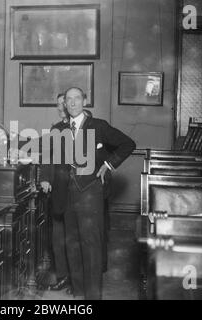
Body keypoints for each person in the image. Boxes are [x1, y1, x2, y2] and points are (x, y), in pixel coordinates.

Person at [40, 87, 136, 300]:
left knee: (91, 244)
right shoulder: (57, 129)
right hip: (65, 192)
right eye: (68, 100)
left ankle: (93, 297)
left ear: (85, 101)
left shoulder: (98, 126)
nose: (72, 103)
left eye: (77, 99)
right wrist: (45, 177)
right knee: (72, 244)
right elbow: (48, 157)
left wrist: (109, 165)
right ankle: (78, 293)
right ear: (64, 104)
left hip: (90, 191)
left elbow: (128, 144)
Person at [46, 94, 71, 292]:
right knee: (58, 236)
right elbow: (47, 153)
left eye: (64, 103)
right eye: (58, 104)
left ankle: (76, 279)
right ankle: (63, 276)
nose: (60, 107)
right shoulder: (56, 128)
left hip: (80, 191)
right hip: (59, 189)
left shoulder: (85, 125)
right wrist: (46, 178)